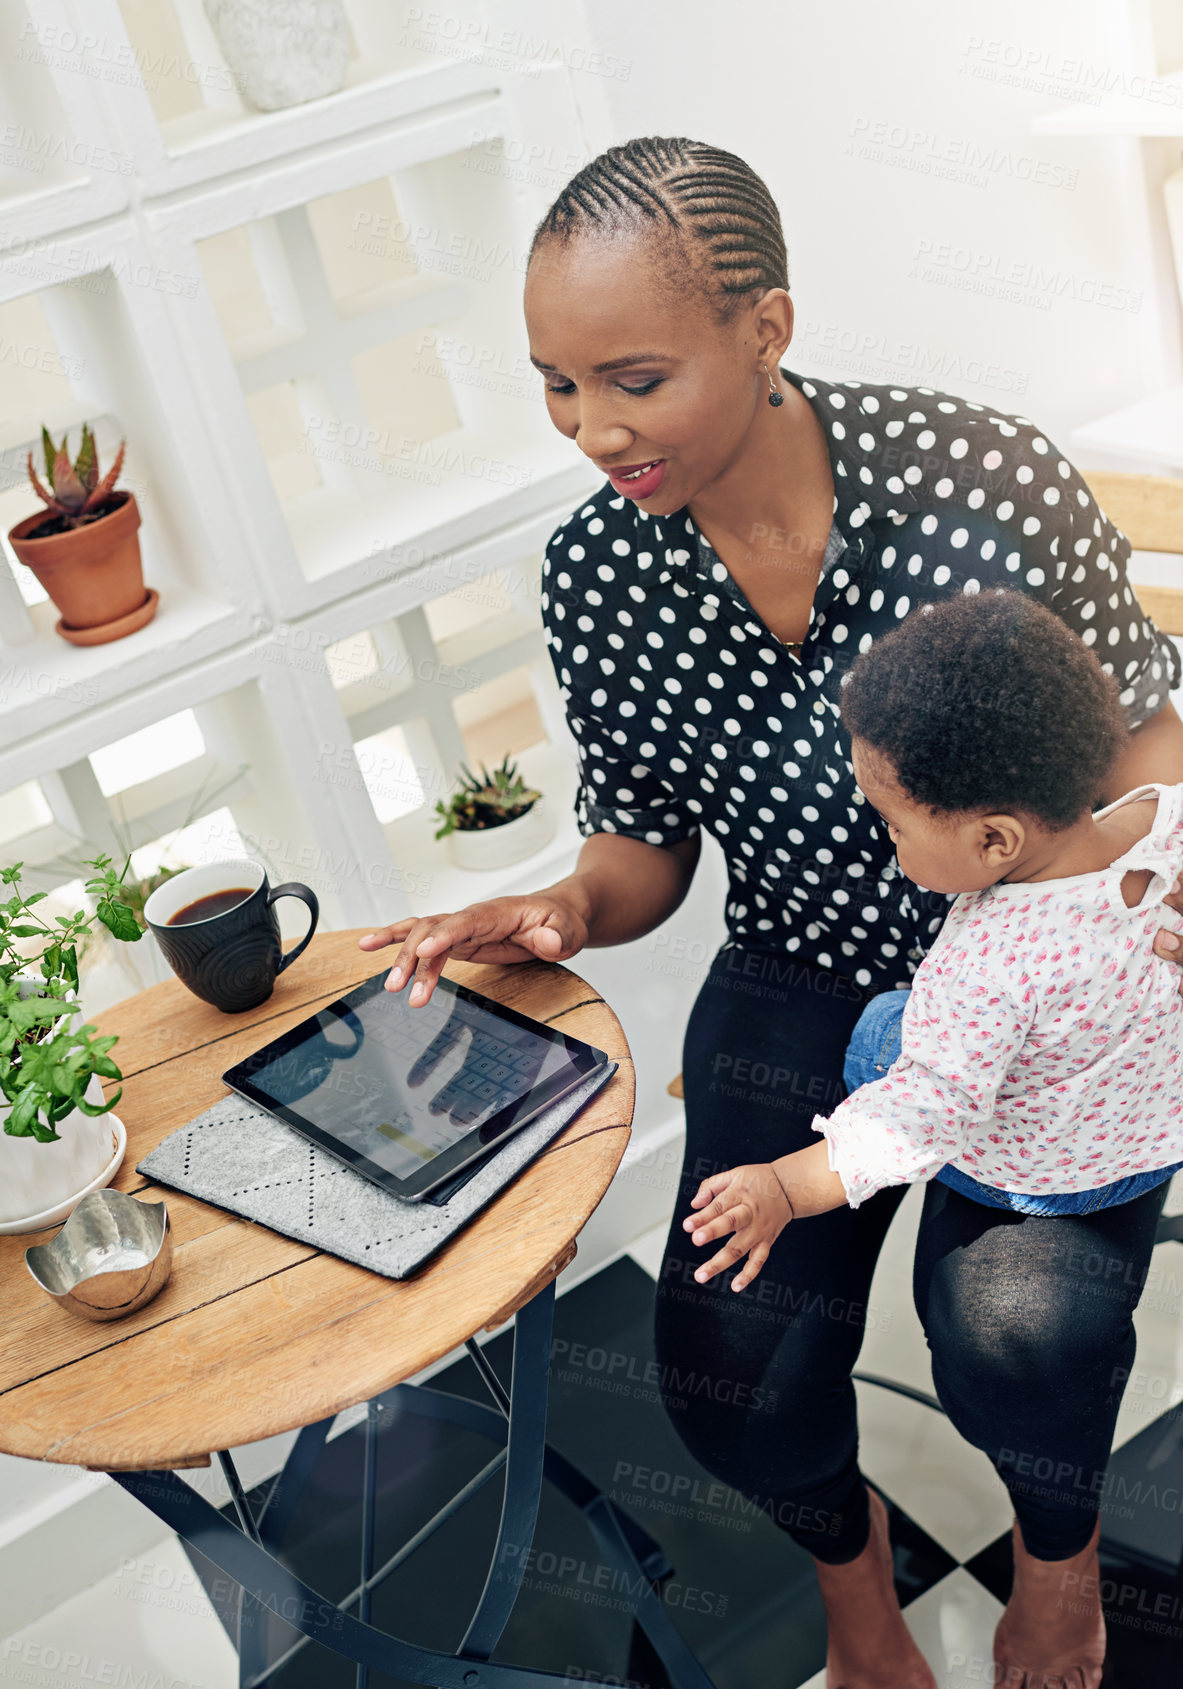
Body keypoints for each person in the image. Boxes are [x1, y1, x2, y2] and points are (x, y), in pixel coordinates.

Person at [357, 136, 1183, 1687]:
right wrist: (556, 907)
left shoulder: (977, 478)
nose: (592, 430)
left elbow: (1143, 724)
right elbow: (641, 846)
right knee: (727, 1353)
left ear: (765, 327)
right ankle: (859, 1608)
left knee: (1018, 1329)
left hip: (1049, 971)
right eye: (554, 383)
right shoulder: (599, 571)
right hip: (807, 973)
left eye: (634, 376)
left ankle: (1057, 1580)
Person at [684, 590, 1183, 1291]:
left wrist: (786, 1187)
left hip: (1050, 1181)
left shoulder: (984, 964)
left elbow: (919, 1117)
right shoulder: (1164, 817)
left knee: (883, 1026)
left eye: (893, 824)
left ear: (993, 839)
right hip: (1159, 1132)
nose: (886, 840)